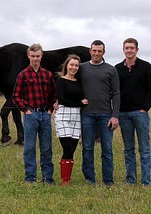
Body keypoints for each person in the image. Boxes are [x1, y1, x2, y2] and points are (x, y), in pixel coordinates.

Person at [115, 38, 151, 186]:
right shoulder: (118, 68)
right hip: (124, 114)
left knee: (144, 148)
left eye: (132, 48)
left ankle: (146, 181)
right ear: (123, 50)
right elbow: (115, 92)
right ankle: (130, 180)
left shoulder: (145, 67)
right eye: (126, 48)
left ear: (137, 50)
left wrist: (144, 108)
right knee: (128, 149)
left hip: (140, 114)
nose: (129, 50)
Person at [12, 43, 57, 184]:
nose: (35, 59)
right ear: (28, 56)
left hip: (45, 115)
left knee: (46, 148)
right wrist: (26, 110)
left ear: (41, 56)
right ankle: (30, 178)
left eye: (38, 56)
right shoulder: (23, 75)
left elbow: (53, 94)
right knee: (29, 148)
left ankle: (47, 178)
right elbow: (16, 96)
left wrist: (50, 110)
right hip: (31, 115)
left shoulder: (48, 75)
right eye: (33, 56)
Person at [78, 40, 120, 186]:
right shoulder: (82, 68)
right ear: (90, 51)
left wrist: (115, 115)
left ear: (103, 52)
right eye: (94, 51)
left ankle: (108, 180)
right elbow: (72, 86)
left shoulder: (111, 69)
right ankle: (90, 179)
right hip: (86, 115)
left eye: (99, 51)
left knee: (107, 149)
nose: (96, 53)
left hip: (105, 115)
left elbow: (116, 93)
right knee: (87, 147)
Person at [54, 54, 88, 186]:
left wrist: (80, 103)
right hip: (63, 116)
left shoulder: (79, 82)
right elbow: (62, 99)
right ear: (66, 65)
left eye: (76, 65)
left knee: (72, 149)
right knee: (67, 147)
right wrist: (80, 103)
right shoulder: (61, 80)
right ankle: (64, 181)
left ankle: (67, 178)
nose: (73, 67)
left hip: (76, 117)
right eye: (71, 65)